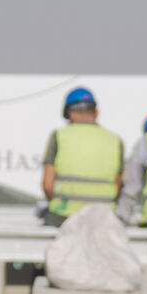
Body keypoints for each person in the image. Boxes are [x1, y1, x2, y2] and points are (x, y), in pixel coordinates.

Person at [38, 86, 123, 225]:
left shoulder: (59, 136)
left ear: (70, 113)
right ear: (96, 112)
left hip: (64, 216)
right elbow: (118, 185)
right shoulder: (115, 140)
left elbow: (47, 185)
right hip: (103, 217)